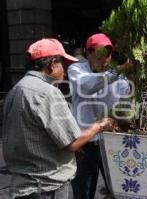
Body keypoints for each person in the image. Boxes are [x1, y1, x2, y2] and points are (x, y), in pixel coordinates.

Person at [2, 38, 117, 199]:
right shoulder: (48, 92)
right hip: (46, 187)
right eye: (63, 65)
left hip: (23, 184)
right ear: (52, 64)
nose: (65, 71)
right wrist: (100, 125)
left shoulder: (16, 89)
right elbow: (72, 142)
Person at [68, 33, 132, 199]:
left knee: (119, 189)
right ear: (88, 53)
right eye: (100, 53)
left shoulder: (119, 75)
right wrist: (119, 71)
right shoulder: (76, 70)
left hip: (111, 141)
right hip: (85, 142)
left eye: (108, 54)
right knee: (83, 191)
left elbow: (126, 102)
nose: (104, 59)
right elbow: (87, 86)